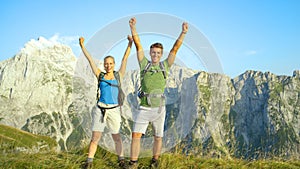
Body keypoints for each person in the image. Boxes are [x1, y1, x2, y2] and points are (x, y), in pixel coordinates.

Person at [128, 17, 188, 168]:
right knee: (136, 135)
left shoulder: (165, 66)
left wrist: (183, 33)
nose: (155, 55)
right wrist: (133, 28)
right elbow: (138, 45)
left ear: (161, 55)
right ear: (150, 53)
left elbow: (175, 49)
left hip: (159, 108)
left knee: (158, 137)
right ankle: (133, 163)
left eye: (158, 53)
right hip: (144, 107)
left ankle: (155, 161)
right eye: (153, 52)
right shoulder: (144, 64)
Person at [79, 35, 133, 169]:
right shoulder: (100, 75)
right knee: (95, 138)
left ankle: (121, 161)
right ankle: (89, 162)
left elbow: (125, 58)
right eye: (106, 64)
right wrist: (82, 46)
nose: (108, 66)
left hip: (114, 110)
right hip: (100, 110)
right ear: (104, 65)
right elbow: (90, 60)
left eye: (110, 63)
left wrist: (130, 43)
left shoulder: (118, 75)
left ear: (113, 65)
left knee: (117, 138)